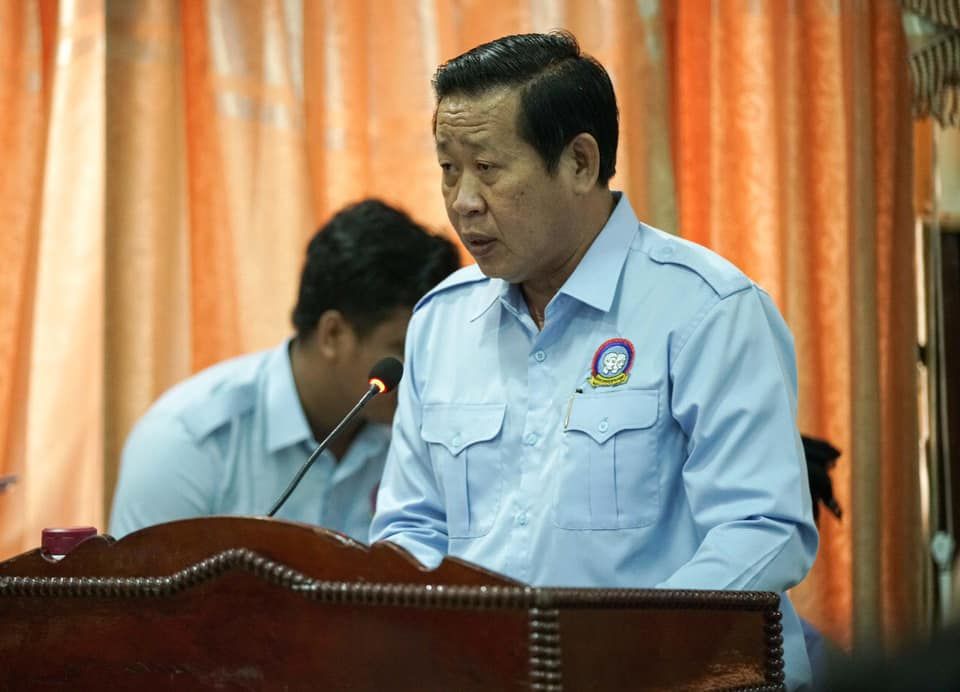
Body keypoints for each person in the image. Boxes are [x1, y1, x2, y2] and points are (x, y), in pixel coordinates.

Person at [369, 32, 819, 690]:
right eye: (448, 169)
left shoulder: (707, 310)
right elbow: (411, 526)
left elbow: (762, 529)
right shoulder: (441, 323)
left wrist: (620, 655)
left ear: (580, 162)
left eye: (487, 168)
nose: (463, 200)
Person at [109, 199, 460, 541]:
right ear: (333, 335)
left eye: (431, 351)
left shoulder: (424, 435)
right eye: (404, 350)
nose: (426, 374)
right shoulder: (188, 442)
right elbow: (141, 582)